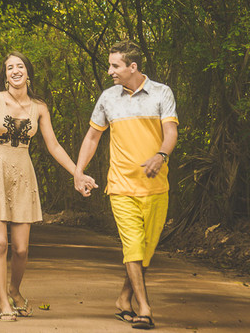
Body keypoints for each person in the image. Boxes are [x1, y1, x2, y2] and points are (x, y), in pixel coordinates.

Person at [0, 51, 97, 322]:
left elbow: (53, 145)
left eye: (20, 66)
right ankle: (4, 303)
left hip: (22, 172)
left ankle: (14, 290)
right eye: (10, 68)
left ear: (28, 72)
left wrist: (77, 174)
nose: (15, 71)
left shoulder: (39, 107)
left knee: (21, 248)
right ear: (5, 74)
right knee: (0, 244)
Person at [73, 40, 178, 331]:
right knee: (132, 246)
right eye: (110, 65)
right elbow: (92, 137)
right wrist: (78, 171)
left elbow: (170, 132)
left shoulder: (161, 93)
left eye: (115, 66)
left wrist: (161, 155)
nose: (110, 71)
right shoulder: (108, 98)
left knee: (145, 252)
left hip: (156, 186)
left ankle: (123, 299)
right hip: (120, 186)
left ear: (133, 67)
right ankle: (144, 308)